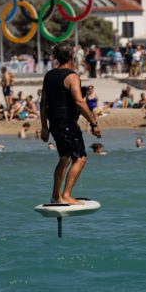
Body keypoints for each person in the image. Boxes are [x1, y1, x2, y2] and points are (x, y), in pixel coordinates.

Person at [40, 44, 101, 205]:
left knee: (64, 158)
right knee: (80, 158)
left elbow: (43, 102)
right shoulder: (72, 77)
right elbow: (80, 103)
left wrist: (44, 127)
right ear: (72, 57)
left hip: (54, 123)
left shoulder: (49, 75)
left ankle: (55, 196)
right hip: (67, 123)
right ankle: (66, 195)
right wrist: (94, 123)